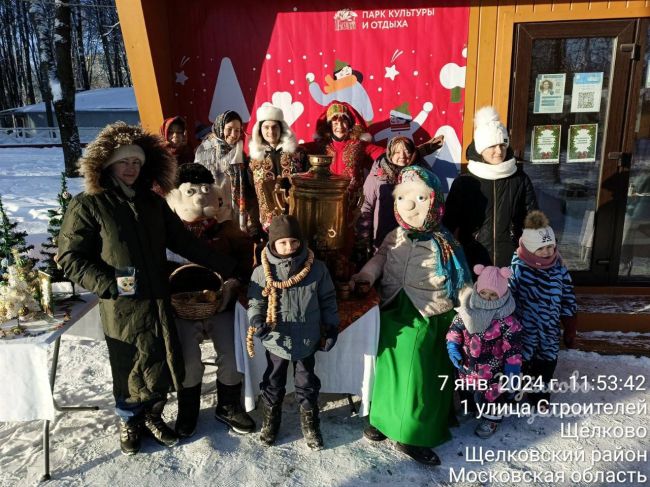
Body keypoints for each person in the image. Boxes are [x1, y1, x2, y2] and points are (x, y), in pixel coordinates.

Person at [57, 122, 237, 456]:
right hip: (122, 302)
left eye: (136, 163)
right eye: (124, 162)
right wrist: (108, 284)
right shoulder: (89, 204)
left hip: (157, 295)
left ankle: (153, 414)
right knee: (129, 359)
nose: (130, 169)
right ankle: (130, 419)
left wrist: (229, 267)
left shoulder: (152, 204)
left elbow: (183, 241)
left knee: (160, 357)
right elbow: (70, 257)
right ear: (108, 164)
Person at [351, 165, 471, 466]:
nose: (411, 205)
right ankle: (383, 417)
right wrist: (366, 275)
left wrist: (470, 309)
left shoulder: (444, 242)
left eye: (419, 198)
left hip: (430, 312)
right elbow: (380, 257)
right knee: (384, 354)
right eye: (404, 198)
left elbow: (461, 279)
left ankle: (412, 433)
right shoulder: (396, 235)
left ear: (433, 201)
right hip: (395, 305)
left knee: (414, 356)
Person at [165, 163, 255, 438]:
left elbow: (245, 260)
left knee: (232, 351)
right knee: (188, 361)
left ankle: (228, 405)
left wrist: (234, 282)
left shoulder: (225, 229)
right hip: (180, 308)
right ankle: (188, 408)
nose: (200, 197)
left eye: (205, 190)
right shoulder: (167, 232)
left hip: (219, 305)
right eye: (191, 191)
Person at [247, 215, 339, 450]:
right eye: (283, 243)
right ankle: (271, 421)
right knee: (273, 380)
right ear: (272, 244)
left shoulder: (316, 269)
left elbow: (328, 300)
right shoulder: (261, 272)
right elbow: (255, 301)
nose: (289, 247)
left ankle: (310, 423)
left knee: (306, 380)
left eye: (294, 242)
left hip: (306, 337)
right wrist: (257, 319)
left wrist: (330, 327)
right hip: (276, 338)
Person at [443, 106, 537, 270]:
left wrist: (542, 248)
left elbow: (533, 218)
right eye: (492, 146)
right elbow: (449, 223)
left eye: (502, 145)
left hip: (512, 259)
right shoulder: (465, 182)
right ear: (480, 148)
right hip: (473, 258)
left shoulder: (519, 179)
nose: (498, 151)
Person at [509, 210, 578, 411]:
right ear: (529, 248)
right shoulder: (518, 268)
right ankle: (515, 393)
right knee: (521, 364)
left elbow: (568, 298)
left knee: (546, 365)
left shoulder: (559, 268)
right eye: (541, 248)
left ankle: (540, 395)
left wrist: (570, 326)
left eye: (550, 246)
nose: (548, 252)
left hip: (549, 330)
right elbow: (507, 299)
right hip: (523, 331)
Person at [446, 265, 522, 438]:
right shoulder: (466, 311)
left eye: (493, 294)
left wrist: (512, 370)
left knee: (492, 395)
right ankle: (471, 409)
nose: (488, 298)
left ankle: (491, 419)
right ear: (477, 290)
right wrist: (452, 347)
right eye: (484, 293)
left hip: (494, 371)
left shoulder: (507, 321)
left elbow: (513, 349)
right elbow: (454, 330)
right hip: (467, 365)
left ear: (502, 294)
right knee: (467, 390)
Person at [355, 135, 442, 256]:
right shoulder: (378, 174)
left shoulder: (422, 173)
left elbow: (433, 206)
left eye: (407, 151)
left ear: (413, 153)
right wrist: (363, 236)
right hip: (383, 240)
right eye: (397, 152)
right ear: (390, 153)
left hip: (414, 240)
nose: (402, 156)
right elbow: (366, 205)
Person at [194, 110, 259, 235]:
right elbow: (198, 184)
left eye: (237, 130)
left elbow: (246, 187)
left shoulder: (239, 152)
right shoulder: (204, 151)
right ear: (220, 127)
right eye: (229, 129)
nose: (233, 134)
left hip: (236, 213)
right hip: (214, 213)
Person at [248, 105, 304, 231]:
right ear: (259, 130)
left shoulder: (299, 154)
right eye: (266, 127)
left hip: (298, 220)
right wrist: (254, 225)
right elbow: (251, 195)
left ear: (282, 128)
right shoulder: (253, 160)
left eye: (274, 127)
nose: (271, 131)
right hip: (267, 226)